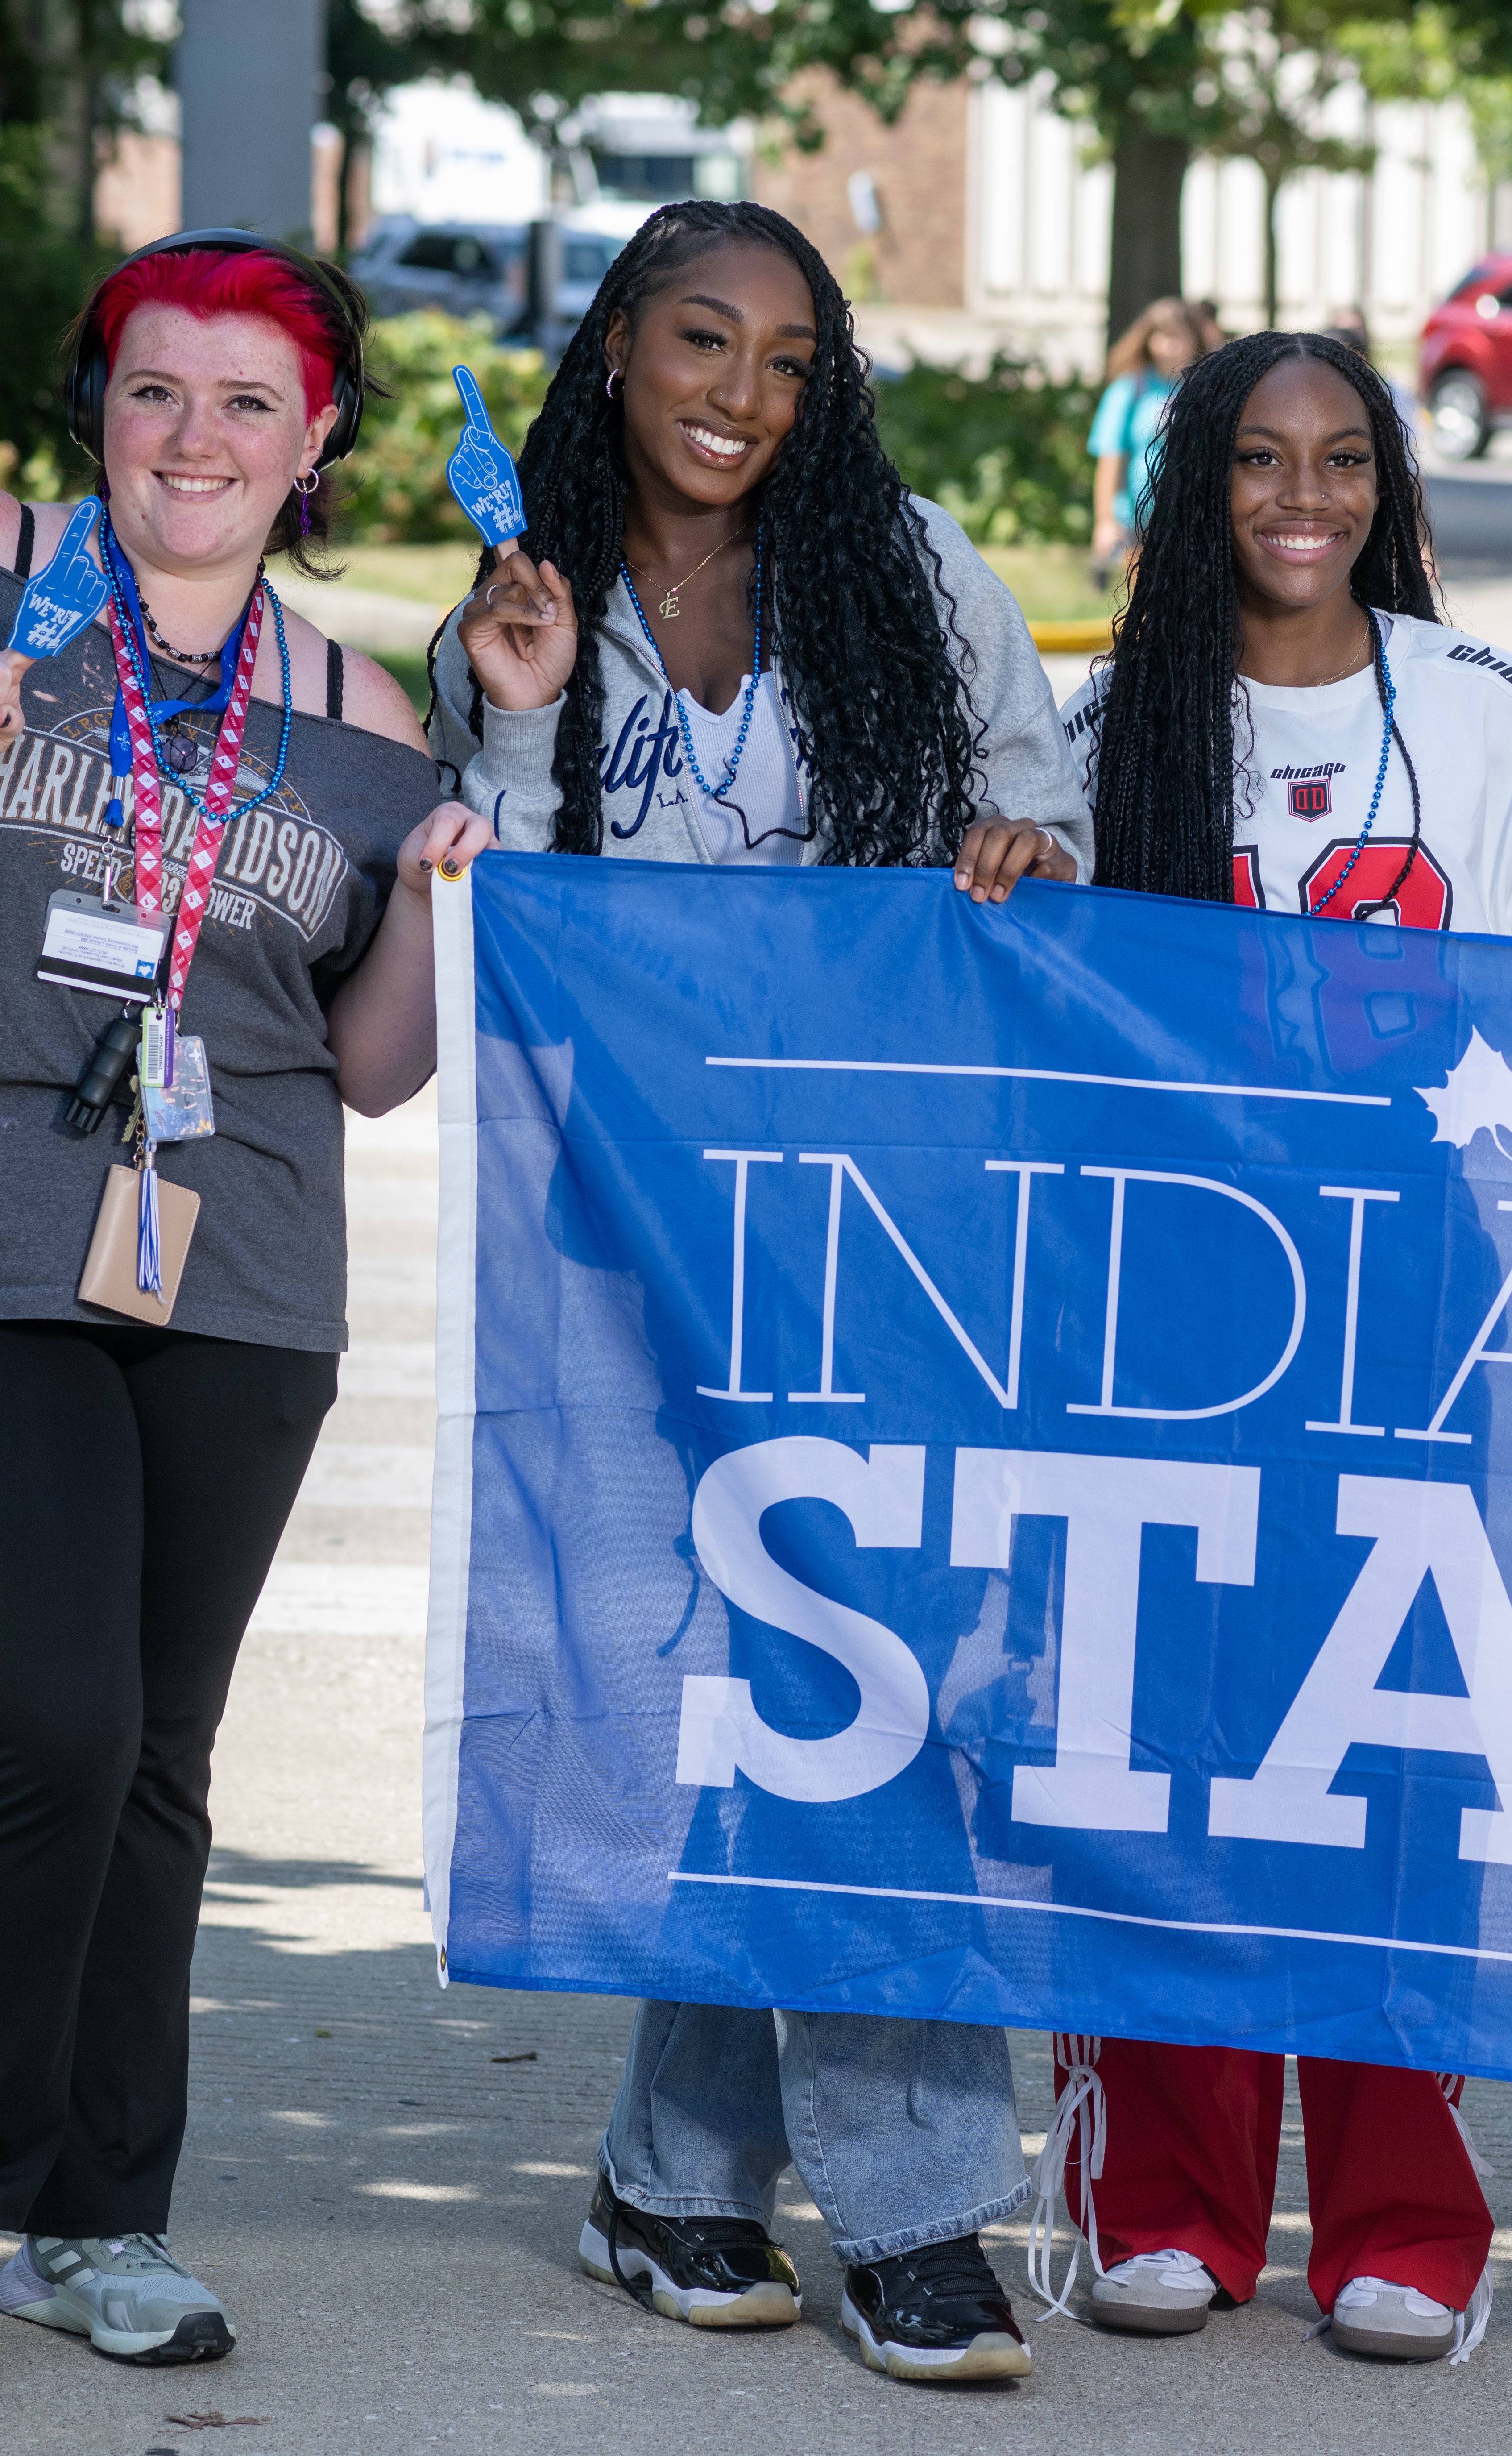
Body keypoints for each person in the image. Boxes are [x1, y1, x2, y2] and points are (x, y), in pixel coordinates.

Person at [0, 230, 494, 2403]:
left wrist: (433, 901)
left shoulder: (359, 711)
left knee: (154, 1757)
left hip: (237, 1276)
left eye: (248, 400)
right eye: (154, 388)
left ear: (314, 441)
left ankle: (101, 2217)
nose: (194, 436)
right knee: (46, 1720)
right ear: (97, 406)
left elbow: (378, 1059)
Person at [429, 196, 1086, 2387]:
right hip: (633, 1235)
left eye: (788, 359)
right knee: (802, 1677)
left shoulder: (901, 566)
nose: (739, 394)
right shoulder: (526, 600)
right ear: (618, 342)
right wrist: (521, 721)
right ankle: (825, 2198)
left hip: (879, 1230)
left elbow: (1041, 807)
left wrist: (1019, 849)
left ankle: (737, 2181)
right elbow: (505, 921)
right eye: (701, 341)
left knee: (843, 1667)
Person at [1052, 327, 1512, 2360]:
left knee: (1386, 1739)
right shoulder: (1101, 721)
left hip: (1406, 1289)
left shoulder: (1474, 711)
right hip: (1161, 1297)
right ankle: (1167, 2191)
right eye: (1253, 459)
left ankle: (1402, 2213)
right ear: (1194, 484)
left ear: (1382, 488)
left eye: (1336, 459)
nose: (1296, 496)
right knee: (1164, 1739)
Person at [1089, 297, 1205, 592]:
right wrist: (1105, 522)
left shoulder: (1208, 388)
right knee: (1145, 596)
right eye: (1163, 336)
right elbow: (1110, 457)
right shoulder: (1130, 388)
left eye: (1179, 336)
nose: (1171, 346)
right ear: (1148, 340)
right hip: (1140, 516)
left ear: (1196, 338)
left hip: (1196, 513)